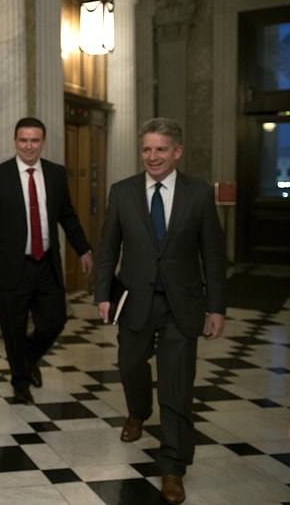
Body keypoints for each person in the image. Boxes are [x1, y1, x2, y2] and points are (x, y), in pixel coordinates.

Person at [94, 117, 226, 505]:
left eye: (161, 149)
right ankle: (137, 411)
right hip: (135, 301)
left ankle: (173, 466)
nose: (152, 156)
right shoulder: (123, 192)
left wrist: (216, 306)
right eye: (147, 149)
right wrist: (103, 293)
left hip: (182, 305)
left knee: (177, 385)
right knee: (130, 365)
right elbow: (108, 249)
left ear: (177, 152)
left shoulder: (199, 195)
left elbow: (213, 256)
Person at [0, 117, 93, 404]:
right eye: (23, 140)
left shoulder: (56, 174)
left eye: (35, 140)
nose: (29, 146)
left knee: (54, 321)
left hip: (46, 264)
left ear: (42, 142)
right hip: (10, 268)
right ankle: (20, 382)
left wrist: (83, 249)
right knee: (13, 329)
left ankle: (27, 358)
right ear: (15, 141)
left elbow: (67, 215)